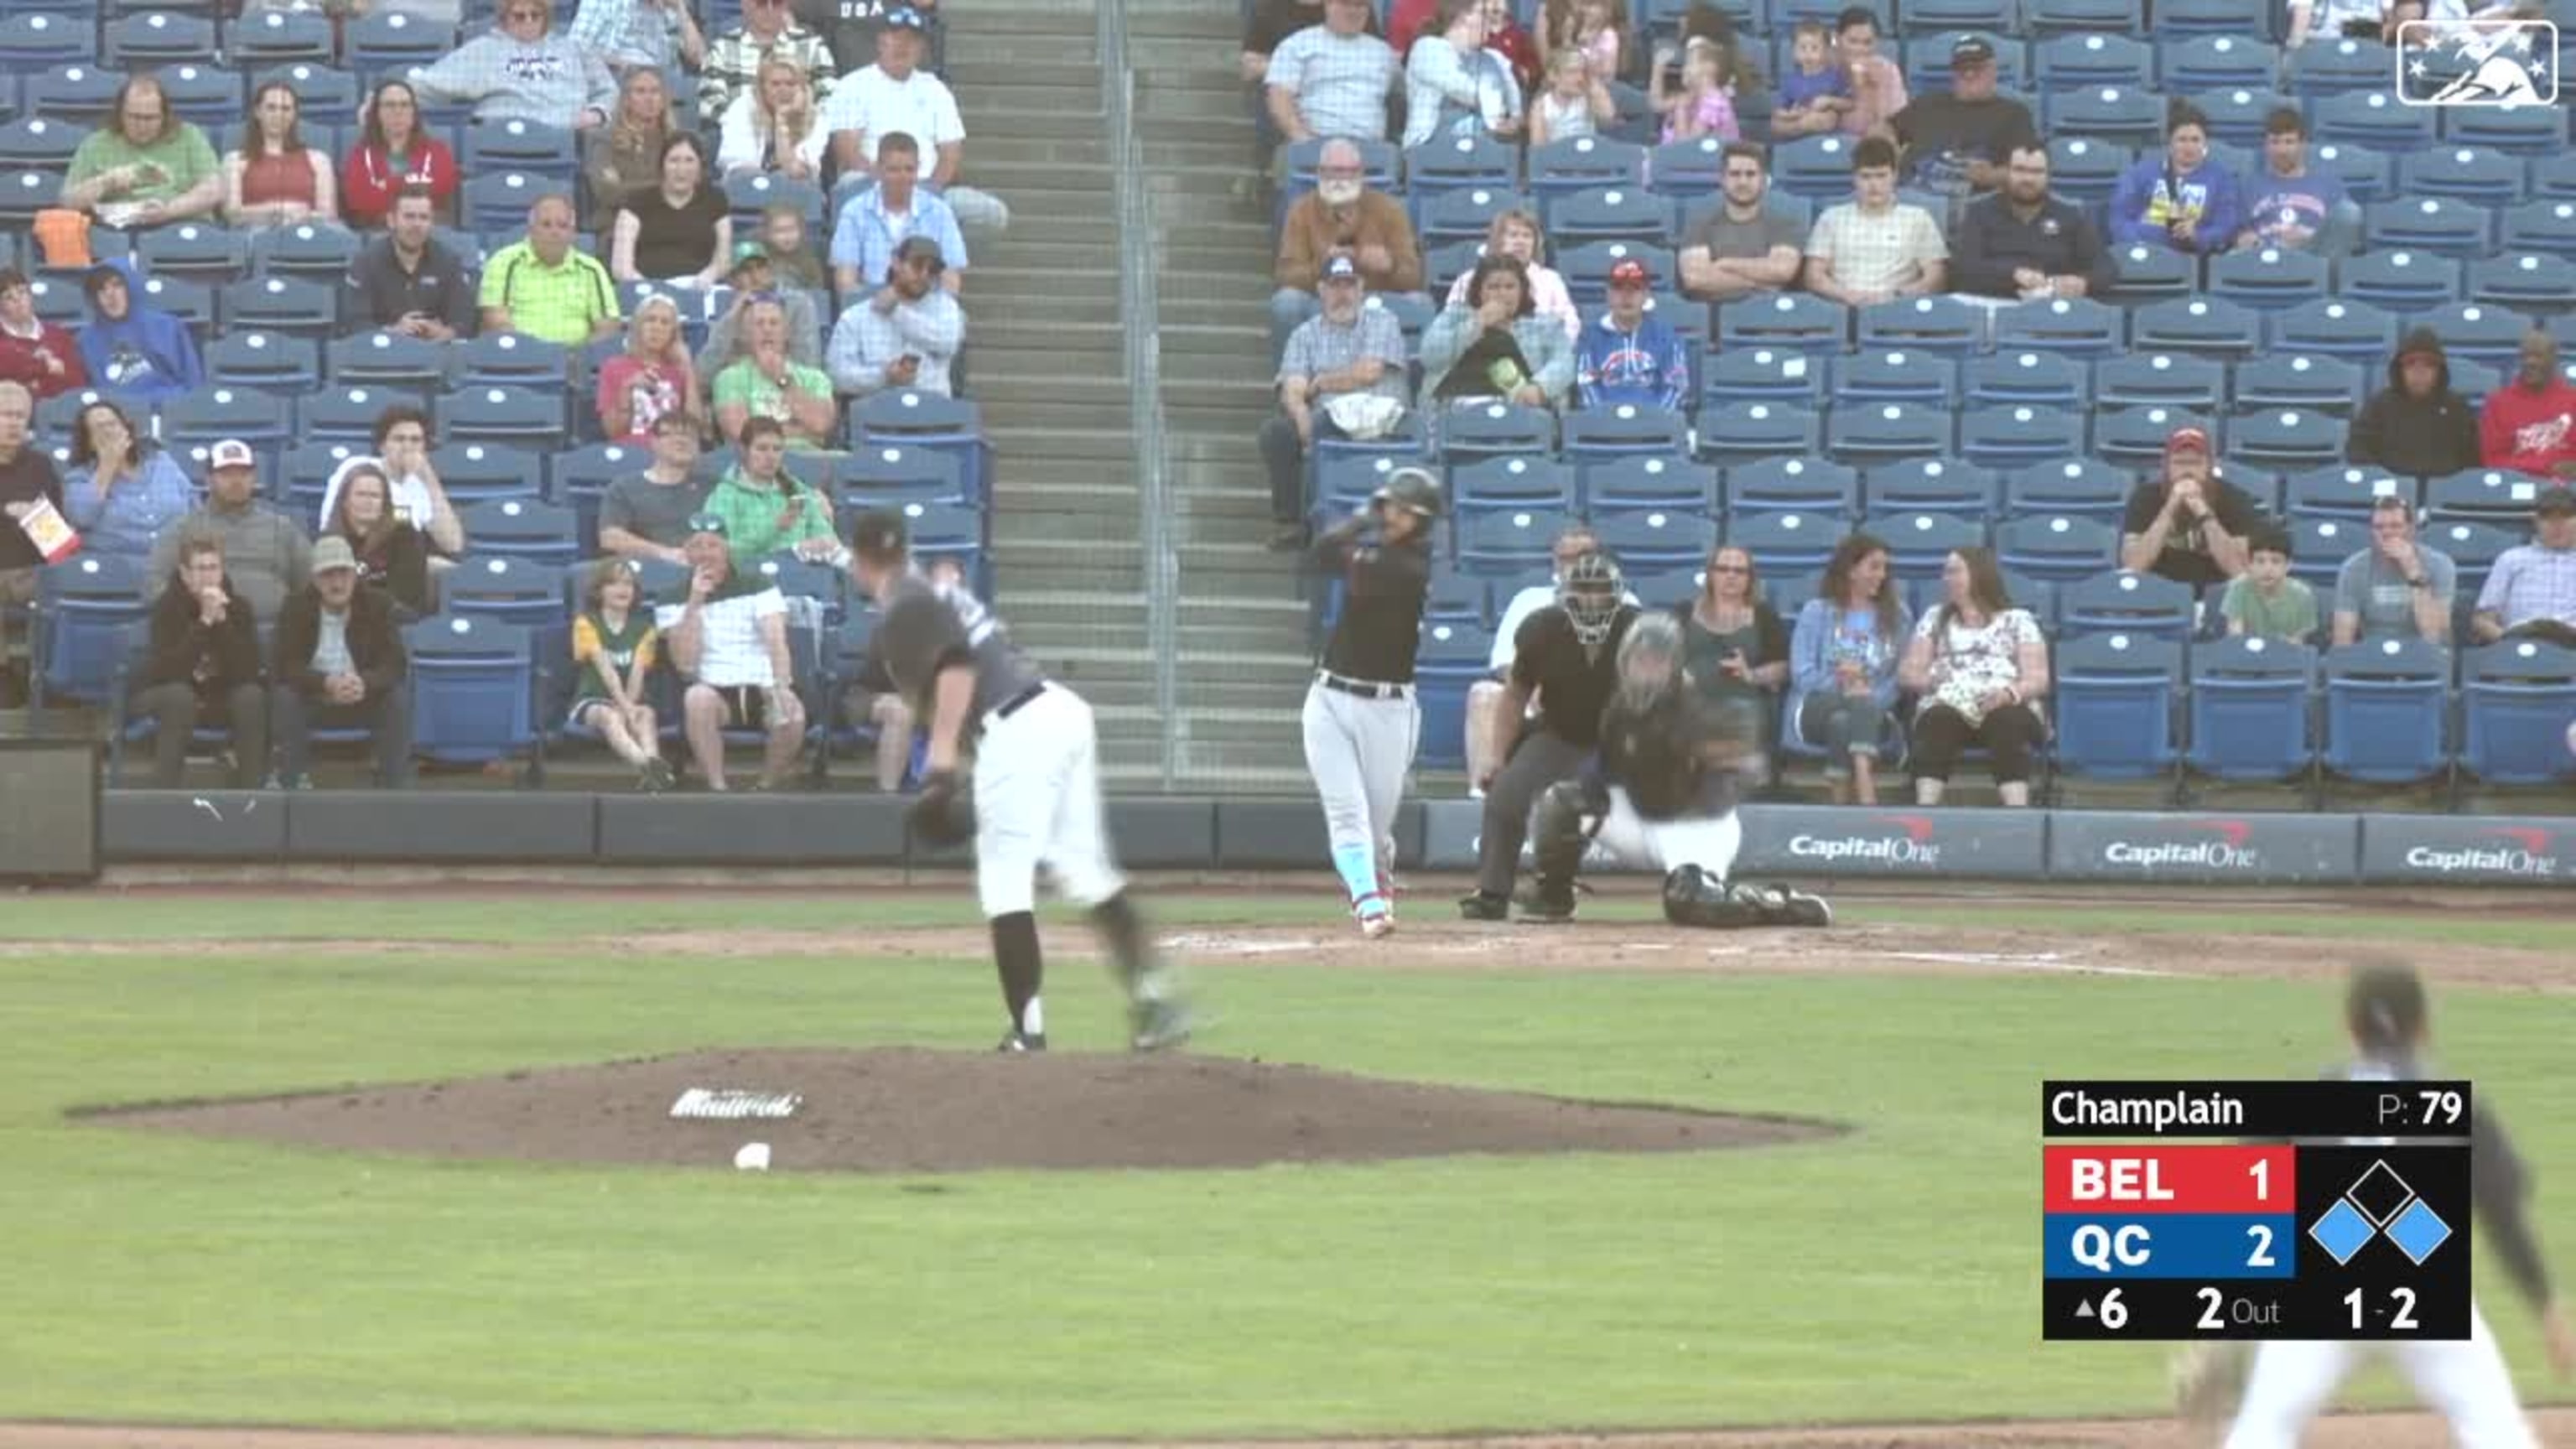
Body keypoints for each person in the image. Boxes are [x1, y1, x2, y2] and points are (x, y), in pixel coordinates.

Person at [848, 508, 1201, 1054]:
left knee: (1004, 879)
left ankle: (1027, 1033)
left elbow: (958, 667)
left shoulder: (907, 601)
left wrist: (940, 768)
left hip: (1015, 725)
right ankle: (1156, 1001)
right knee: (1085, 870)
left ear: (858, 560)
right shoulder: (930, 591)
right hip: (1056, 711)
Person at [2216, 960, 2576, 1449]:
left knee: (2261, 1433)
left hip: (2323, 1293)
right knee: (2497, 1433)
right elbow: (2502, 1217)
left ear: (2348, 1024)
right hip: (2424, 1293)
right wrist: (2547, 1308)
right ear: (2424, 1028)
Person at [1520, 614, 1831, 927]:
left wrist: (1714, 762)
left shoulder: (1697, 707)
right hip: (1641, 819)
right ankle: (1553, 899)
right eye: (1639, 661)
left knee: (1690, 903)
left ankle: (1771, 901)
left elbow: (1742, 768)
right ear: (1624, 663)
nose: (1646, 670)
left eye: (1656, 661)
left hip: (1695, 824)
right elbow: (1598, 777)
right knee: (1560, 802)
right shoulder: (1619, 709)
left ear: (1674, 665)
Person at [1458, 549, 1637, 921]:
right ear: (1566, 594)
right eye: (1583, 590)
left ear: (1617, 594)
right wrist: (1496, 757)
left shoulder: (1641, 630)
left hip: (1622, 738)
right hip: (1560, 732)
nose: (1591, 599)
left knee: (1570, 805)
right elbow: (1514, 697)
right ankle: (1492, 891)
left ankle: (1687, 876)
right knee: (1505, 795)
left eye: (1600, 590)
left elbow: (1672, 692)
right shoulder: (1540, 629)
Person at [1300, 469, 1438, 937]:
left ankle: (1378, 878)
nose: (1395, 516)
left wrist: (1362, 525)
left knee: (1376, 831)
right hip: (1328, 697)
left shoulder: (1413, 567)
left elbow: (1348, 564)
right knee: (1347, 815)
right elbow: (1317, 554)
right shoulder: (1376, 548)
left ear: (1423, 521)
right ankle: (1367, 903)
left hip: (1388, 709)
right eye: (1392, 507)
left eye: (1405, 511)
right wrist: (1364, 517)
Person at [1467, 525, 1637, 794]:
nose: (1570, 564)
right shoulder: (1528, 600)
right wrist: (1531, 688)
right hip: (1530, 696)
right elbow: (1503, 662)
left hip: (1598, 704)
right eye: (1563, 557)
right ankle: (1485, 794)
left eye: (1580, 555)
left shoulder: (1624, 602)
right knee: (1483, 694)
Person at [1259, 252, 1410, 552]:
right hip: (1326, 422)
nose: (1343, 294)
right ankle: (1293, 524)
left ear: (1361, 288)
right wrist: (1302, 418)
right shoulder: (1304, 334)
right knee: (1277, 432)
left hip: (1380, 419)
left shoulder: (1382, 321)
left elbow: (1369, 372)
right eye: (1335, 285)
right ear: (1321, 290)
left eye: (1349, 285)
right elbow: (1293, 387)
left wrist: (1322, 382)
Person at [821, 8, 1010, 231]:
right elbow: (848, 153)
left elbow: (951, 154)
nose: (902, 45)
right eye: (895, 37)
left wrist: (928, 191)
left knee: (993, 213)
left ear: (921, 49)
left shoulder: (935, 89)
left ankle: (940, 262)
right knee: (850, 183)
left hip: (927, 188)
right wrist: (893, 187)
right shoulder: (853, 85)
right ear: (881, 42)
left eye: (911, 40)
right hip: (871, 187)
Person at [659, 512, 805, 791]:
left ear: (727, 548)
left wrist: (782, 685)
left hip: (761, 684)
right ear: (686, 552)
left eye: (712, 545)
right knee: (696, 698)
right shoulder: (671, 598)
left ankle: (766, 786)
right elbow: (685, 664)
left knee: (792, 713)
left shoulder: (757, 585)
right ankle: (718, 788)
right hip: (714, 689)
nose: (705, 553)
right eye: (697, 546)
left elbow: (776, 640)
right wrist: (695, 601)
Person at [1896, 546, 2049, 807]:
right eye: (1945, 572)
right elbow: (1909, 672)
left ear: (1979, 574)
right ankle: (1925, 810)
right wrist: (1931, 682)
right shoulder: (1935, 618)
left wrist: (2009, 694)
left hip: (2006, 703)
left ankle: (2018, 812)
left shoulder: (2017, 620)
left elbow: (2038, 678)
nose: (1947, 578)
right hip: (1950, 703)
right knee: (1937, 719)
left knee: (2007, 721)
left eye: (1955, 571)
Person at [272, 535, 414, 790]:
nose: (337, 583)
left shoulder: (377, 604)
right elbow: (286, 666)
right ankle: (292, 780)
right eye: (328, 575)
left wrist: (365, 682)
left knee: (397, 698)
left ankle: (393, 784)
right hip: (314, 697)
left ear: (355, 575)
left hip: (362, 696)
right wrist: (325, 683)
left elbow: (394, 663)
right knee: (285, 696)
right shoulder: (295, 606)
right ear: (315, 580)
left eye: (344, 574)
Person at [1271, 138, 1429, 358]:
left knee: (1420, 303)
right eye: (1332, 171)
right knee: (1286, 303)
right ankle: (1290, 381)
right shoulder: (1301, 210)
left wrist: (1389, 266)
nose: (1340, 179)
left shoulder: (1390, 209)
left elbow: (1415, 277)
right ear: (1319, 172)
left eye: (1348, 171)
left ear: (1361, 173)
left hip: (1375, 294)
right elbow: (1286, 275)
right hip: (1323, 296)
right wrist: (1323, 266)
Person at [134, 532, 267, 789]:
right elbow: (168, 672)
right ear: (184, 574)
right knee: (179, 695)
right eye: (200, 568)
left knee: (251, 696)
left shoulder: (239, 608)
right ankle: (165, 793)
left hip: (217, 698)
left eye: (214, 567)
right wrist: (204, 622)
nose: (208, 575)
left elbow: (248, 672)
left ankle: (253, 792)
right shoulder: (167, 608)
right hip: (166, 696)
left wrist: (223, 623)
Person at [1787, 530, 1909, 806]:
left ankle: (1840, 807)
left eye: (1885, 568)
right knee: (1856, 704)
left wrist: (1869, 698)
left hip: (1874, 712)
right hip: (1816, 706)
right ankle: (1866, 786)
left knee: (1843, 723)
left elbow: (1899, 677)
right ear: (1851, 570)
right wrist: (1841, 683)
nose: (1882, 575)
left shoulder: (1898, 616)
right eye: (1874, 567)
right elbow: (1801, 674)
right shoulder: (1817, 612)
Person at [1949, 143, 2116, 330]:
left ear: (2048, 176)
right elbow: (1964, 267)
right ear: (2006, 172)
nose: (2028, 179)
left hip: (2048, 309)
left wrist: (2083, 282)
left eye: (2037, 172)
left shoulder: (2070, 215)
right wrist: (2014, 274)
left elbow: (2106, 268)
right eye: (2020, 170)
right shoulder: (1979, 211)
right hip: (1988, 305)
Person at [148, 439, 311, 622]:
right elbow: (155, 588)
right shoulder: (183, 530)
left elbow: (311, 584)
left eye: (244, 473)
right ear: (209, 479)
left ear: (254, 477)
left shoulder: (282, 528)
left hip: (275, 632)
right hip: (208, 631)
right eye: (226, 474)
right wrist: (196, 609)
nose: (236, 481)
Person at [1888, 37, 2037, 221]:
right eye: (1962, 69)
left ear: (1993, 70)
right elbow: (1885, 129)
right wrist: (1886, 148)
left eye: (1977, 68)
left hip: (1974, 204)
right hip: (1915, 199)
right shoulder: (1928, 104)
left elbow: (2030, 172)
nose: (1969, 74)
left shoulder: (2014, 114)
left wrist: (1991, 176)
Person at [411, 0, 619, 131]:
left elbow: (609, 90)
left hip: (563, 136)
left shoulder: (573, 48)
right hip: (503, 135)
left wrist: (597, 113)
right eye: (519, 16)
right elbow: (429, 85)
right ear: (504, 19)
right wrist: (389, 94)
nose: (528, 21)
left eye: (535, 15)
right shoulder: (484, 50)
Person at [59, 75, 223, 229]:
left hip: (179, 226)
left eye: (150, 118)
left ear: (164, 116)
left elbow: (214, 189)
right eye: (134, 117)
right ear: (120, 114)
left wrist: (169, 211)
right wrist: (105, 183)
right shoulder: (96, 144)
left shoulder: (189, 136)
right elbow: (68, 201)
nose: (142, 126)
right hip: (117, 235)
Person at [1679, 543, 1788, 774]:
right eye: (1723, 569)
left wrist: (1752, 675)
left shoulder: (1764, 615)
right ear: (1710, 574)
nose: (1731, 575)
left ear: (1750, 578)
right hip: (1691, 702)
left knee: (1740, 714)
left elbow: (1783, 667)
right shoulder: (1685, 611)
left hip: (1743, 703)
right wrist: (1678, 675)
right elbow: (1663, 655)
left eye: (1739, 571)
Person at [568, 557, 675, 791]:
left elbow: (637, 673)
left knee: (645, 714)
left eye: (628, 584)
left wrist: (631, 706)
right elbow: (606, 670)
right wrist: (625, 708)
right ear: (599, 591)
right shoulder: (586, 623)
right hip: (593, 698)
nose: (623, 589)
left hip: (631, 696)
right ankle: (648, 766)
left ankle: (654, 774)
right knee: (610, 716)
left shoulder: (645, 629)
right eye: (614, 583)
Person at [1803, 137, 1949, 307]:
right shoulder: (1831, 218)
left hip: (1899, 308)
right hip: (1842, 307)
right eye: (1866, 177)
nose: (1874, 185)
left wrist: (1897, 295)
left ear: (1894, 176)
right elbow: (1813, 276)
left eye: (1881, 176)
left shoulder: (1918, 218)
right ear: (1854, 178)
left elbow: (1936, 278)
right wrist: (1846, 295)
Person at [1420, 253, 1576, 410]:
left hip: (1523, 412)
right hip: (1455, 411)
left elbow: (1564, 362)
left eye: (1510, 287)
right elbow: (1429, 356)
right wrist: (1476, 323)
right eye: (1493, 287)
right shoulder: (1455, 316)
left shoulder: (1544, 324)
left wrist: (1540, 388)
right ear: (1479, 291)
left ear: (1522, 290)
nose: (1502, 294)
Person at [315, 407, 466, 561]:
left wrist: (429, 478)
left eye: (415, 440)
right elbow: (336, 523)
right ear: (382, 446)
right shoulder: (357, 467)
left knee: (445, 568)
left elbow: (453, 544)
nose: (407, 447)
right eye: (399, 439)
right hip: (351, 556)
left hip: (403, 565)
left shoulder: (421, 486)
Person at [828, 132, 969, 297]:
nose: (902, 177)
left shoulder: (940, 212)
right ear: (878, 169)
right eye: (893, 170)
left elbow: (951, 279)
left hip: (926, 305)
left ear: (919, 168)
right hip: (873, 305)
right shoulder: (854, 211)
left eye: (909, 170)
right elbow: (846, 282)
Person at [2121, 426, 2260, 590]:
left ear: (2209, 466)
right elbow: (2133, 567)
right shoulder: (2145, 498)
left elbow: (2239, 570)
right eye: (2179, 463)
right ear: (2166, 466)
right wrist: (2170, 508)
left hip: (2216, 595)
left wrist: (2203, 513)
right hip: (2158, 595)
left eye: (2195, 463)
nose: (2187, 470)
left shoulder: (2234, 498)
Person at [825, 234, 963, 399]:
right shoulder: (856, 316)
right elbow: (837, 376)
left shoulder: (945, 306)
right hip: (876, 415)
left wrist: (897, 312)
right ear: (896, 262)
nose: (924, 275)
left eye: (933, 270)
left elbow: (948, 342)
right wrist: (883, 376)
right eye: (917, 265)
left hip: (933, 410)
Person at [479, 194, 625, 346]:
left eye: (562, 226)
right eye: (546, 225)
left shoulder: (591, 269)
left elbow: (608, 327)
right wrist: (540, 355)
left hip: (575, 361)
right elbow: (497, 322)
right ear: (531, 230)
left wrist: (578, 354)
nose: (555, 232)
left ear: (573, 234)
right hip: (519, 358)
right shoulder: (504, 262)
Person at [60, 398, 195, 561]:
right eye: (99, 428)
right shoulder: (79, 478)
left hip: (174, 563)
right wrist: (107, 465)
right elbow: (81, 517)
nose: (109, 431)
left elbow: (193, 505)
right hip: (116, 569)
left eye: (113, 424)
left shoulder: (161, 461)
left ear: (127, 431)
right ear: (89, 443)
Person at [700, 417, 842, 568]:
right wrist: (774, 527)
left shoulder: (799, 491)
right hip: (747, 579)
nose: (770, 457)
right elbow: (721, 550)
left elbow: (825, 537)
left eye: (777, 449)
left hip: (799, 575)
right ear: (744, 451)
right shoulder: (724, 495)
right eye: (762, 448)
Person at [1677, 143, 1805, 306]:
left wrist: (1725, 264)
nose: (1743, 182)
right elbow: (1695, 278)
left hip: (1768, 315)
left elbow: (1782, 270)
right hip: (1713, 313)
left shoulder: (1784, 225)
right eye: (1735, 174)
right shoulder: (1700, 225)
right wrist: (1755, 285)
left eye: (1750, 174)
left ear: (1764, 180)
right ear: (1722, 180)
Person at [345, 186, 477, 341]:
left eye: (423, 217)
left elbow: (464, 322)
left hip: (435, 354)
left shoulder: (449, 261)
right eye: (409, 217)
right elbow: (355, 323)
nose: (417, 224)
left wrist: (442, 333)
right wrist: (393, 332)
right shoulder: (366, 262)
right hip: (383, 353)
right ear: (391, 221)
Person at [1265, 0, 1401, 150]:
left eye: (1360, 5)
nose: (1353, 11)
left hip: (1371, 148)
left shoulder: (1383, 52)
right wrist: (1303, 139)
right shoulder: (1297, 45)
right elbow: (1279, 98)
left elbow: (1404, 94)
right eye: (1346, 4)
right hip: (1314, 142)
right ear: (1327, 5)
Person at [2111, 103, 2242, 257]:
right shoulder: (2140, 173)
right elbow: (2118, 218)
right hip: (2143, 250)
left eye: (2195, 140)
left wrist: (2197, 236)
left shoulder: (2221, 179)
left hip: (2189, 257)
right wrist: (2143, 241)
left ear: (2205, 143)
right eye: (2182, 140)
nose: (2189, 147)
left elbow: (2225, 225)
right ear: (2170, 142)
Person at [2349, 328, 2483, 479]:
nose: (2419, 370)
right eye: (2410, 363)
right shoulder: (2379, 405)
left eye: (2429, 364)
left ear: (2440, 370)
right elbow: (2359, 452)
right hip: (2391, 493)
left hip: (2444, 492)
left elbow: (2473, 460)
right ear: (2399, 369)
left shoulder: (2457, 407)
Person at [0, 383, 65, 692]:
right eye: (5, 415)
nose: (13, 423)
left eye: (20, 416)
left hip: (33, 571)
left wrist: (34, 516)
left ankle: (47, 677)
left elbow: (59, 541)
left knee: (69, 586)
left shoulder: (41, 466)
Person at [712, 298, 839, 449]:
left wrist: (782, 379)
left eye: (774, 323)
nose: (767, 329)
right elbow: (740, 432)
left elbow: (821, 424)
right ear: (745, 334)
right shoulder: (729, 378)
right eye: (759, 323)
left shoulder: (816, 378)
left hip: (810, 461)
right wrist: (802, 430)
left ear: (786, 333)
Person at [610, 134, 731, 288]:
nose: (681, 169)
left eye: (689, 160)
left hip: (699, 287)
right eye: (674, 161)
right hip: (647, 288)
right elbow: (621, 268)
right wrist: (648, 288)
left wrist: (706, 278)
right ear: (662, 166)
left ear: (700, 166)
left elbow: (723, 259)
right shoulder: (636, 201)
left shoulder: (715, 200)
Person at [2234, 107, 2357, 257]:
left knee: (2349, 212)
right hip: (2264, 253)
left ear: (2303, 145)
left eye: (2289, 142)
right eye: (2275, 142)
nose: (2282, 150)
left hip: (2314, 255)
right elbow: (2238, 234)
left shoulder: (2329, 185)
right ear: (2265, 146)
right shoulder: (2248, 185)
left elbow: (2345, 225)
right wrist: (2246, 239)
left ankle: (2328, 277)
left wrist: (2308, 236)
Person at [1438, 210, 1576, 341]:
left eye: (1527, 236)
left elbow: (1570, 325)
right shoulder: (1469, 279)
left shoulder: (1550, 280)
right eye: (1513, 235)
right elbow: (1450, 327)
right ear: (1497, 240)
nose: (1520, 242)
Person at [2330, 497, 2451, 647]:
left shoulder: (2439, 564)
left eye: (2396, 526)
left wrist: (2413, 571)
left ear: (2411, 529)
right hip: (2372, 653)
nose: (2387, 533)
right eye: (2379, 527)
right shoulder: (2353, 568)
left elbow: (2436, 637)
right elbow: (2342, 639)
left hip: (2422, 655)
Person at [1573, 258, 1690, 413]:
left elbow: (1676, 387)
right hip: (1604, 429)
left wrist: (1654, 421)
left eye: (1635, 288)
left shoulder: (1666, 337)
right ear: (1608, 294)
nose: (1626, 296)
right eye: (1619, 287)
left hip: (1654, 429)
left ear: (1646, 295)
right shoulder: (1589, 338)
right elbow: (1586, 386)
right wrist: (1606, 420)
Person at [76, 259, 202, 402]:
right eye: (101, 289)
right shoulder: (86, 340)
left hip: (169, 410)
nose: (110, 295)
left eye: (117, 285)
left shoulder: (167, 326)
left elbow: (193, 383)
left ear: (131, 287)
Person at [323, 462, 434, 619]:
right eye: (361, 494)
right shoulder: (329, 538)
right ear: (345, 501)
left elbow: (406, 598)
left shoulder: (405, 534)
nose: (368, 501)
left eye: (375, 496)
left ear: (385, 503)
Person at [598, 410, 712, 563]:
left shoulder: (715, 487)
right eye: (670, 434)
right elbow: (610, 538)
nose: (681, 441)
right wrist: (666, 554)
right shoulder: (625, 487)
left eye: (690, 436)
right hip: (647, 570)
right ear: (653, 442)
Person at [342, 81, 458, 231]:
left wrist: (387, 185)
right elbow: (361, 201)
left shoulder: (437, 150)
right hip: (378, 231)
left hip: (428, 228)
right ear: (377, 112)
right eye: (390, 105)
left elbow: (441, 187)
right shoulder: (360, 154)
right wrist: (414, 183)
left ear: (413, 112)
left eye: (405, 105)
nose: (398, 111)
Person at [700, 0, 837, 126]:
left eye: (777, 3)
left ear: (786, 5)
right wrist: (753, 127)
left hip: (801, 138)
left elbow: (831, 98)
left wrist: (801, 126)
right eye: (761, 3)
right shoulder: (722, 48)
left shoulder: (812, 46)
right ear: (744, 4)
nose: (769, 10)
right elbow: (710, 106)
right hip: (740, 139)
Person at [697, 242, 826, 374]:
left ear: (770, 270)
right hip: (740, 388)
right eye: (745, 270)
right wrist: (733, 317)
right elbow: (704, 373)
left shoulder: (799, 304)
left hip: (787, 383)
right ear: (733, 280)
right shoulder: (728, 309)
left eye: (761, 267)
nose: (755, 275)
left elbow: (810, 364)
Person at [223, 82, 338, 230]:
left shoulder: (319, 160)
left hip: (308, 230)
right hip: (257, 233)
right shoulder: (235, 160)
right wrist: (276, 210)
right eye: (271, 108)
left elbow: (328, 215)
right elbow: (232, 214)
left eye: (286, 109)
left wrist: (301, 217)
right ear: (258, 112)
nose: (278, 115)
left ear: (294, 114)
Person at [2470, 486, 2576, 646]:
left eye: (2566, 517)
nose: (2557, 525)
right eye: (2548, 518)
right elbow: (2483, 619)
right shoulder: (2510, 559)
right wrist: (2506, 643)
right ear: (2536, 522)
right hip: (2519, 644)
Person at [597, 293, 699, 444]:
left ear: (673, 333)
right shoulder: (614, 367)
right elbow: (612, 431)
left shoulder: (680, 371)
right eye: (650, 320)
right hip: (631, 453)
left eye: (665, 322)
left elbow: (694, 428)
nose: (656, 328)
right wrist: (627, 390)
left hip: (669, 454)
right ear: (638, 327)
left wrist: (688, 369)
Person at [1404, 0, 1502, 149]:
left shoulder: (1483, 59)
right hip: (1428, 147)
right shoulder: (1428, 47)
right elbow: (1467, 91)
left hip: (1476, 147)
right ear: (1462, 18)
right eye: (1484, 15)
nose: (1491, 26)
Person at [2481, 330, 2576, 480]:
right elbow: (2492, 460)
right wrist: (2545, 467)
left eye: (2538, 356)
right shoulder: (2498, 403)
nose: (2530, 362)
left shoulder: (2573, 400)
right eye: (2525, 356)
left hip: (2565, 491)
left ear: (2554, 359)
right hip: (2514, 484)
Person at [584, 70, 678, 219]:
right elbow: (608, 193)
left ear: (664, 99)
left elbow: (693, 188)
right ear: (626, 100)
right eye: (640, 92)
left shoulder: (677, 141)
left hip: (669, 220)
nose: (649, 98)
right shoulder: (605, 141)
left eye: (655, 91)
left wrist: (628, 186)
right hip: (618, 222)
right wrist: (666, 187)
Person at [719, 56, 830, 182]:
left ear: (802, 89)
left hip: (796, 190)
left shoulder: (815, 117)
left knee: (787, 179)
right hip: (747, 185)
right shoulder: (742, 108)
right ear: (762, 88)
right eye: (775, 84)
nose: (783, 90)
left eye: (791, 84)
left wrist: (781, 122)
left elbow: (798, 172)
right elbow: (740, 165)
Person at [2222, 527, 2323, 643]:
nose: (2267, 569)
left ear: (2288, 565)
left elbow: (2299, 643)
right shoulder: (2238, 588)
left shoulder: (2303, 595)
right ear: (2250, 564)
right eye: (2260, 561)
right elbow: (2235, 639)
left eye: (2275, 561)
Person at [565, 0, 704, 79]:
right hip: (616, 81)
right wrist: (619, 64)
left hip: (663, 88)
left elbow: (699, 59)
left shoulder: (670, 11)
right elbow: (573, 52)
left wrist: (680, 8)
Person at [1650, 36, 1740, 144]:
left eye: (1690, 63)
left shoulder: (1714, 103)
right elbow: (1657, 105)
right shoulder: (1692, 95)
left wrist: (1681, 109)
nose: (1684, 69)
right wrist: (1658, 69)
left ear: (1709, 68)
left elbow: (1686, 147)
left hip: (1703, 160)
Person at [1769, 20, 1851, 139]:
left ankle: (1807, 125)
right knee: (1775, 123)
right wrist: (1790, 114)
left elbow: (1849, 104)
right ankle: (1803, 126)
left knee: (1830, 116)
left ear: (1826, 51)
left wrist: (1830, 101)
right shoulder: (1790, 80)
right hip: (1798, 123)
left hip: (1826, 126)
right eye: (1802, 48)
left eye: (1814, 48)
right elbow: (1780, 110)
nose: (1808, 54)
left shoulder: (1835, 76)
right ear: (1794, 52)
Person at [1526, 49, 1613, 146]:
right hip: (1557, 157)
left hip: (1588, 154)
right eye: (1572, 72)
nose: (1579, 78)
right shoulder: (1542, 105)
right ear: (1553, 76)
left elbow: (1607, 117)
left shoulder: (1588, 97)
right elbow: (1537, 146)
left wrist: (1593, 81)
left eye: (1582, 72)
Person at [1537, 0, 1626, 80]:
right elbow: (1547, 63)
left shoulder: (1607, 34)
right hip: (1559, 81)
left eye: (1592, 5)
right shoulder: (1549, 8)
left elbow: (1608, 69)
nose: (1587, 10)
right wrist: (1566, 37)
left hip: (1598, 83)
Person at [757, 203, 829, 293]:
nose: (787, 237)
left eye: (792, 229)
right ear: (766, 233)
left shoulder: (810, 260)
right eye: (779, 231)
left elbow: (817, 292)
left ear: (802, 230)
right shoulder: (757, 256)